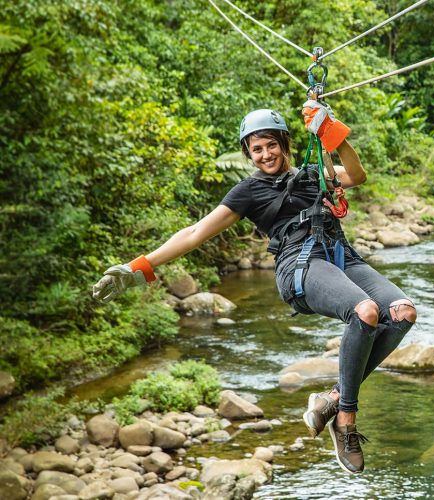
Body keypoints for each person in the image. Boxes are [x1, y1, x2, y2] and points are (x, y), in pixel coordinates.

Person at [92, 102, 417, 474]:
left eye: (271, 146)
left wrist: (334, 135)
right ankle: (345, 421)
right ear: (249, 153)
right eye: (256, 149)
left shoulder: (314, 173)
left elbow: (357, 176)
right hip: (301, 266)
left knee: (402, 312)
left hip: (343, 257)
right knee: (365, 312)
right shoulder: (248, 191)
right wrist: (140, 266)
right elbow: (195, 232)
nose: (265, 155)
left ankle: (332, 398)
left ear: (284, 143)